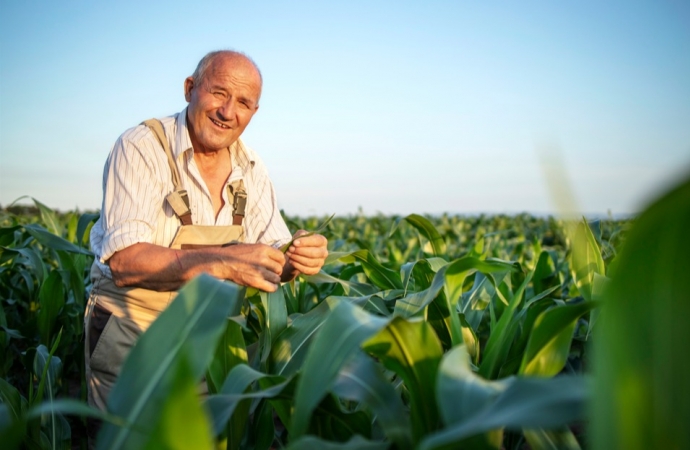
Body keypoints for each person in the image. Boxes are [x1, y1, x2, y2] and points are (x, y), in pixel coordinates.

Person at [84, 50, 328, 414]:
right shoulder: (142, 147)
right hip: (131, 328)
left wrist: (297, 256)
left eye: (243, 102)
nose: (228, 112)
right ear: (190, 89)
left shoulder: (252, 168)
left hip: (206, 335)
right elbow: (125, 262)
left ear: (254, 113)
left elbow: (273, 253)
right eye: (219, 93)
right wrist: (225, 262)